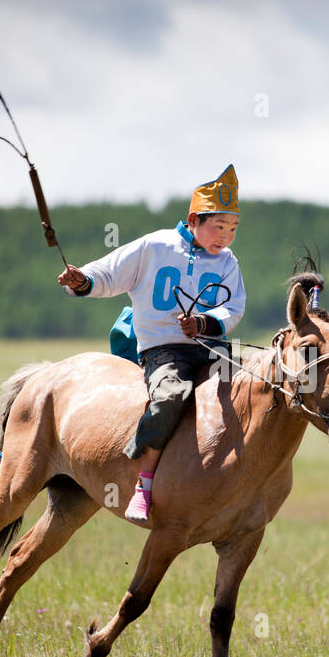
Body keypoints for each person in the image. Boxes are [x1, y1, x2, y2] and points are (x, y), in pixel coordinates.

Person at [56, 164, 246, 523]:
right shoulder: (154, 246)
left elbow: (234, 306)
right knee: (171, 397)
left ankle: (231, 479)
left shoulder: (227, 262)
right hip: (163, 351)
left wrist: (204, 322)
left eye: (232, 229)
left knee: (246, 392)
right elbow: (108, 274)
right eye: (218, 226)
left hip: (210, 349)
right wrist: (81, 280)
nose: (225, 236)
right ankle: (144, 484)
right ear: (194, 218)